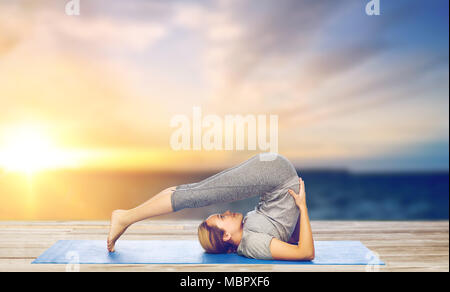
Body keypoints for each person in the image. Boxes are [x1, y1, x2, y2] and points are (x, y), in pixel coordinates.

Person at [107, 153, 314, 261]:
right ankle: (125, 217)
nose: (226, 212)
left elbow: (290, 238)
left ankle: (126, 217)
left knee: (193, 192)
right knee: (194, 194)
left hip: (274, 174)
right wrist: (302, 208)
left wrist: (296, 206)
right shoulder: (252, 244)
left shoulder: (247, 232)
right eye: (222, 218)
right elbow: (303, 251)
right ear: (225, 237)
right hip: (276, 174)